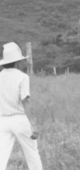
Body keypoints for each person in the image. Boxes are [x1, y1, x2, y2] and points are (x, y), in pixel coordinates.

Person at [0, 42, 43, 170]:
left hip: (2, 121)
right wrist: (33, 124)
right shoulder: (22, 77)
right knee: (32, 153)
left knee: (1, 155)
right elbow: (26, 101)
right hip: (20, 120)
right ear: (18, 62)